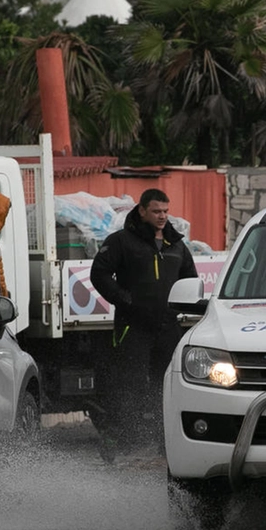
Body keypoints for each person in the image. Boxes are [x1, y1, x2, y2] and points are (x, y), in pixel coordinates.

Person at [89, 188, 198, 459]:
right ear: (142, 211)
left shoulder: (177, 245)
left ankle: (165, 443)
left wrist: (186, 307)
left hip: (167, 327)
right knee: (130, 385)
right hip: (132, 326)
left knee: (168, 386)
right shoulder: (121, 241)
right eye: (156, 211)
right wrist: (123, 300)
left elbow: (190, 280)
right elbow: (99, 274)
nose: (162, 217)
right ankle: (124, 441)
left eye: (165, 211)